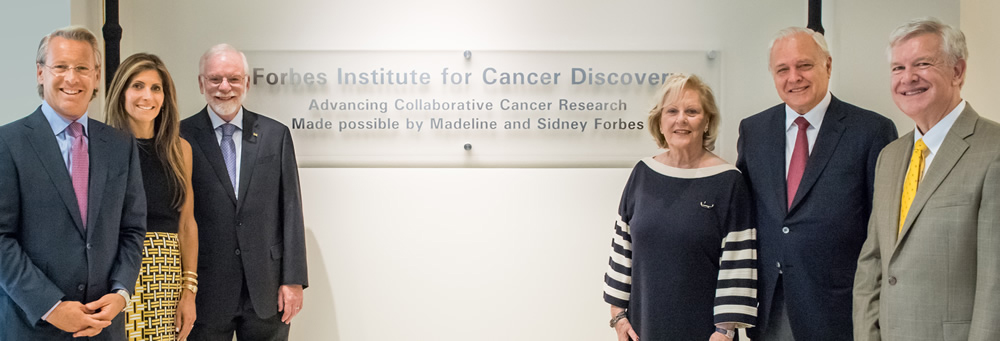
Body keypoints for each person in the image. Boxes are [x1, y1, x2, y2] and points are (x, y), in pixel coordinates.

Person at [736, 27, 897, 340]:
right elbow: (745, 215)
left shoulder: (872, 130)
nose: (794, 77)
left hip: (840, 308)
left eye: (804, 65)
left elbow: (884, 227)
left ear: (828, 65)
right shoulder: (753, 131)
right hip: (771, 305)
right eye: (783, 69)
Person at [853, 17, 1000, 341]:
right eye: (898, 68)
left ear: (957, 71)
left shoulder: (994, 151)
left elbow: (995, 284)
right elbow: (873, 262)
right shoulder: (889, 157)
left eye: (922, 63)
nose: (908, 78)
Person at [0, 26, 146, 340]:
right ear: (40, 73)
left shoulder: (121, 145)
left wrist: (121, 293)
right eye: (61, 67)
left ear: (96, 76)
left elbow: (132, 228)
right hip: (32, 326)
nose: (72, 77)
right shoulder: (8, 143)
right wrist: (50, 306)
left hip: (104, 327)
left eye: (82, 68)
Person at [603, 74, 757, 341]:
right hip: (644, 328)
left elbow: (739, 260)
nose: (681, 119)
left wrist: (725, 331)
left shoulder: (729, 181)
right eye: (672, 111)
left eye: (692, 111)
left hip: (706, 333)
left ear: (707, 120)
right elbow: (622, 247)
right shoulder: (643, 173)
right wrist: (618, 316)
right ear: (660, 121)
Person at [180, 44, 308, 340]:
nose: (225, 87)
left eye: (234, 79)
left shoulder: (275, 136)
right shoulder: (179, 136)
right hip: (206, 289)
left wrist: (294, 279)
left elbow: (290, 208)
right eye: (215, 79)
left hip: (267, 288)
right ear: (201, 84)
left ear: (247, 83)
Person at [104, 53, 198, 341]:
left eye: (156, 88)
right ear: (121, 92)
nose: (147, 96)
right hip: (118, 275)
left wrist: (189, 291)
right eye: (137, 86)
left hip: (166, 275)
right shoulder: (102, 147)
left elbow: (186, 224)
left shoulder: (179, 150)